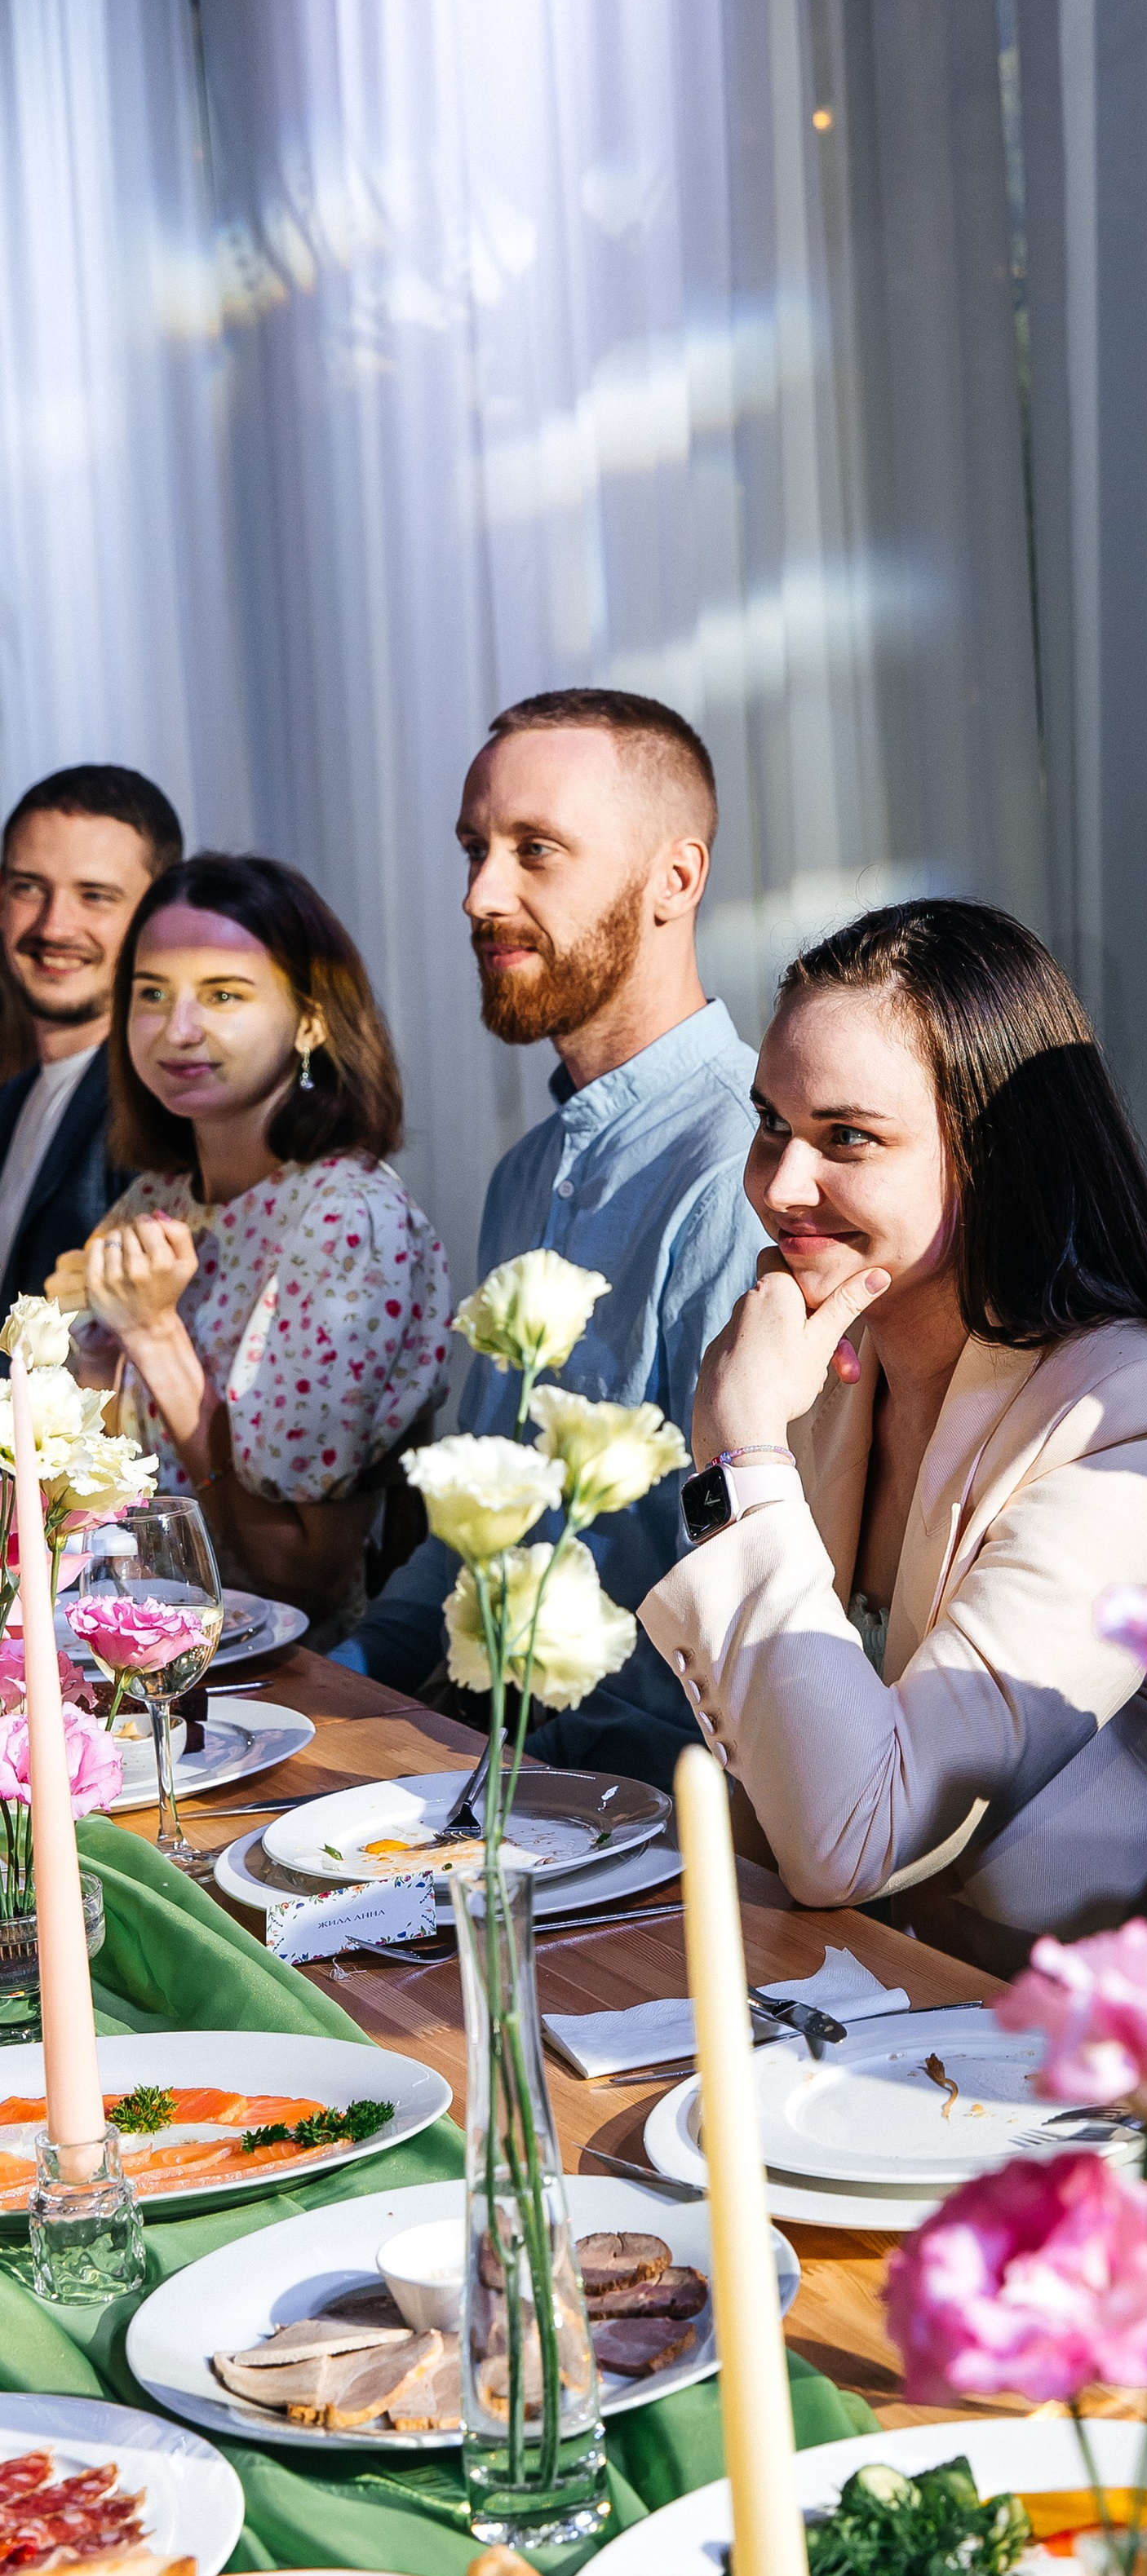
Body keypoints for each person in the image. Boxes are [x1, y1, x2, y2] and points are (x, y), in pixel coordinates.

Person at [637, 897, 1147, 1972]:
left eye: (847, 1137)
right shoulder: (828, 1378)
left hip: (1098, 2072)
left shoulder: (1136, 1411)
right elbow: (762, 1793)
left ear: (989, 1153)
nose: (779, 1184)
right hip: (860, 2008)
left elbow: (853, 1837)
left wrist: (740, 1455)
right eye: (771, 1123)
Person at [339, 688, 768, 1787]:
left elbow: (749, 1595)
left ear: (675, 878)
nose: (483, 894)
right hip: (485, 1774)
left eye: (536, 850)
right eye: (476, 850)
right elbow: (470, 1527)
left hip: (668, 1822)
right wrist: (328, 1689)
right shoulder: (522, 1177)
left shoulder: (751, 1170)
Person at [53, 853, 448, 1642]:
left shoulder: (348, 1221)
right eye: (152, 995)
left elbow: (296, 1573)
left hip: (295, 1686)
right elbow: (79, 1511)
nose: (179, 1030)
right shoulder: (153, 1200)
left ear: (310, 1019)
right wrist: (90, 1361)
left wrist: (156, 1334)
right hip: (132, 1654)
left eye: (224, 994)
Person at [0, 766, 182, 1303]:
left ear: (161, 912)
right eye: (28, 888)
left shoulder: (169, 1109)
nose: (54, 926)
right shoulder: (11, 1102)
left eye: (95, 895)